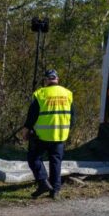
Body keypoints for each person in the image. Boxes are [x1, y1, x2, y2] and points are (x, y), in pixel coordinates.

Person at [25, 69, 74, 200]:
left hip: (41, 136)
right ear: (57, 79)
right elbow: (72, 117)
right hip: (60, 136)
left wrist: (27, 129)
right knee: (56, 162)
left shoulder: (40, 93)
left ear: (46, 80)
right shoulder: (68, 94)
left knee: (33, 158)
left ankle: (43, 182)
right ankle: (55, 191)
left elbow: (32, 116)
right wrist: (68, 131)